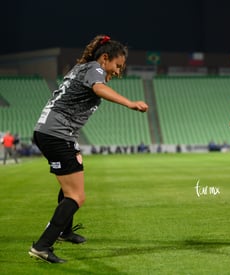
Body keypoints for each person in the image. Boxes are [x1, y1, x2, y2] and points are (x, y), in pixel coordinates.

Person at [28, 34, 148, 263]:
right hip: (57, 134)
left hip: (50, 131)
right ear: (104, 58)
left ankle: (65, 231)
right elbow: (98, 88)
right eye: (117, 65)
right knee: (77, 196)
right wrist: (130, 103)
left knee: (70, 184)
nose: (119, 71)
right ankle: (42, 246)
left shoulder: (82, 67)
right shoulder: (94, 70)